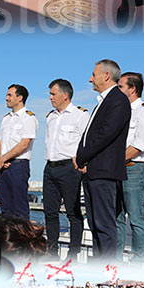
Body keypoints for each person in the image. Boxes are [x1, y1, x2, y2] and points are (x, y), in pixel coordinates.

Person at [73, 60, 131, 259]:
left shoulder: (118, 100)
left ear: (106, 75)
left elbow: (105, 134)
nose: (90, 79)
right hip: (94, 172)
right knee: (95, 224)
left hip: (105, 173)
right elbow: (91, 134)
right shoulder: (104, 101)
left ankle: (106, 273)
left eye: (93, 74)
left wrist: (81, 157)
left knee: (104, 226)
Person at [42, 78, 89, 258]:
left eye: (53, 94)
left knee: (73, 212)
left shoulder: (80, 115)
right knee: (50, 212)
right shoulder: (51, 117)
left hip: (69, 168)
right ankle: (52, 252)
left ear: (65, 95)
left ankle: (73, 254)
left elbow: (86, 142)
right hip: (50, 167)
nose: (50, 97)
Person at [116, 72, 144, 262]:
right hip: (116, 169)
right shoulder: (118, 110)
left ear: (132, 89)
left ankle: (137, 262)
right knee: (117, 219)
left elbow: (139, 144)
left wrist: (113, 162)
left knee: (136, 218)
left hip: (134, 168)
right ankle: (115, 262)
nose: (117, 91)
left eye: (120, 87)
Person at [0, 85, 37, 220]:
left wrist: (4, 158)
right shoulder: (6, 118)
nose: (6, 98)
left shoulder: (28, 118)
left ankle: (21, 239)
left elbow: (24, 144)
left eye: (9, 95)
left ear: (20, 98)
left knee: (20, 209)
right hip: (4, 166)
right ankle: (7, 240)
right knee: (5, 209)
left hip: (18, 166)